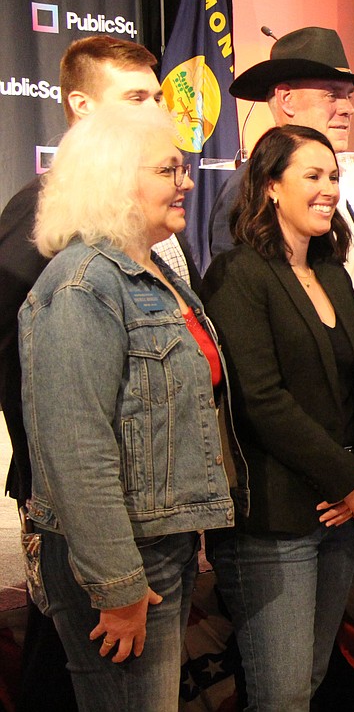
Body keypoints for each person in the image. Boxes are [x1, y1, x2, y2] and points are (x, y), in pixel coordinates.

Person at [0, 35, 200, 712]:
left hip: (148, 528)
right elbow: (66, 426)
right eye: (137, 99)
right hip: (102, 533)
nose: (185, 180)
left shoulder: (144, 256)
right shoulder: (78, 275)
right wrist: (112, 574)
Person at [201, 125, 354, 711]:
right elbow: (261, 400)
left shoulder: (333, 272)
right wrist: (349, 479)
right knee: (279, 698)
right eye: (313, 176)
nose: (330, 188)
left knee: (306, 681)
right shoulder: (237, 275)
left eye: (334, 176)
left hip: (337, 516)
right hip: (272, 522)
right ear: (271, 187)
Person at [206, 26, 354, 359]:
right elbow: (243, 316)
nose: (349, 109)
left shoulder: (332, 192)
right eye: (333, 94)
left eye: (350, 95)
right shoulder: (247, 189)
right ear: (286, 99)